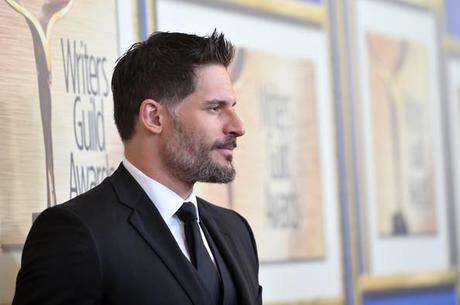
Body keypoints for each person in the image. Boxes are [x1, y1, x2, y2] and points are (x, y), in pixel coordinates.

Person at [13, 30, 262, 305]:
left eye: (233, 107)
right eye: (215, 108)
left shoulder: (236, 230)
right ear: (154, 117)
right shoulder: (75, 233)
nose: (238, 126)